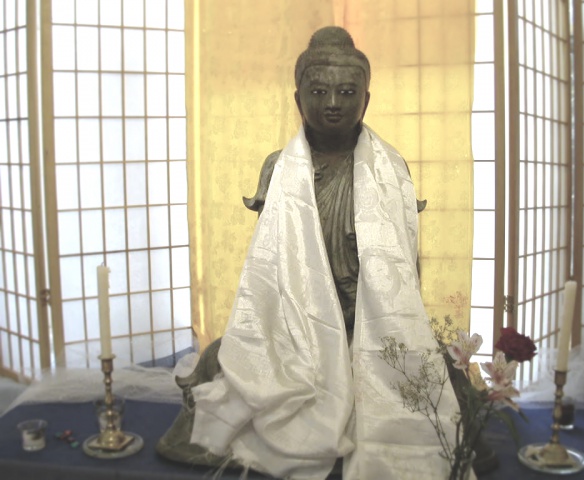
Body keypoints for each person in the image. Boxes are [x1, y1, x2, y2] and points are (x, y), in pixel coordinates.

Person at [157, 26, 461, 479]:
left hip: (366, 315)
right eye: (318, 92)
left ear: (366, 100)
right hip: (296, 317)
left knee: (439, 372)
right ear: (298, 99)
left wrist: (383, 317)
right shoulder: (280, 167)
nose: (333, 103)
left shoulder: (391, 170)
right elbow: (269, 265)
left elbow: (403, 267)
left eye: (346, 92)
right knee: (221, 362)